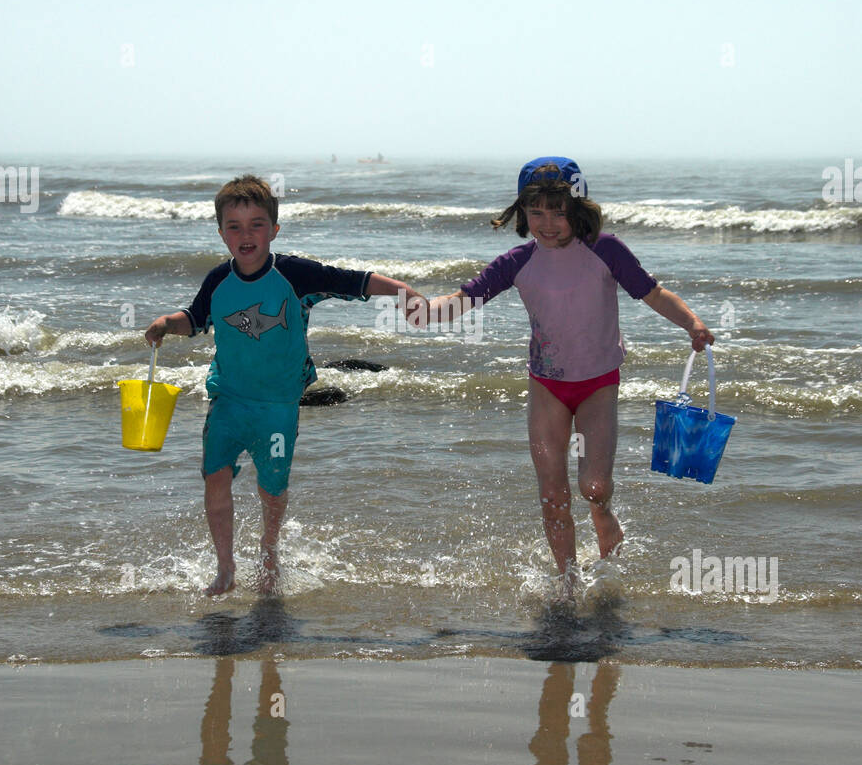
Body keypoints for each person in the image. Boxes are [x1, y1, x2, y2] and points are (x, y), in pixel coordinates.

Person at [428, 158, 714, 589]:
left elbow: (653, 294)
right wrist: (422, 311)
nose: (547, 223)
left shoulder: (606, 250)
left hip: (598, 384)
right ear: (522, 212)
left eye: (558, 211)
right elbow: (465, 298)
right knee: (553, 493)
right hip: (547, 385)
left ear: (578, 209)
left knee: (594, 486)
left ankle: (603, 514)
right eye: (536, 212)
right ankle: (567, 581)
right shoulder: (516, 261)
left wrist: (691, 323)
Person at [145, 174, 426, 597]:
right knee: (215, 476)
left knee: (271, 488)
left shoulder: (294, 274)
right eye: (234, 226)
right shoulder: (218, 280)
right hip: (228, 398)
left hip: (279, 406)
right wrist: (167, 323)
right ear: (221, 233)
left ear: (274, 230)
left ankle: (269, 551)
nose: (246, 234)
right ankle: (225, 567)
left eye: (257, 224)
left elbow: (353, 280)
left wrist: (402, 290)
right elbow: (196, 319)